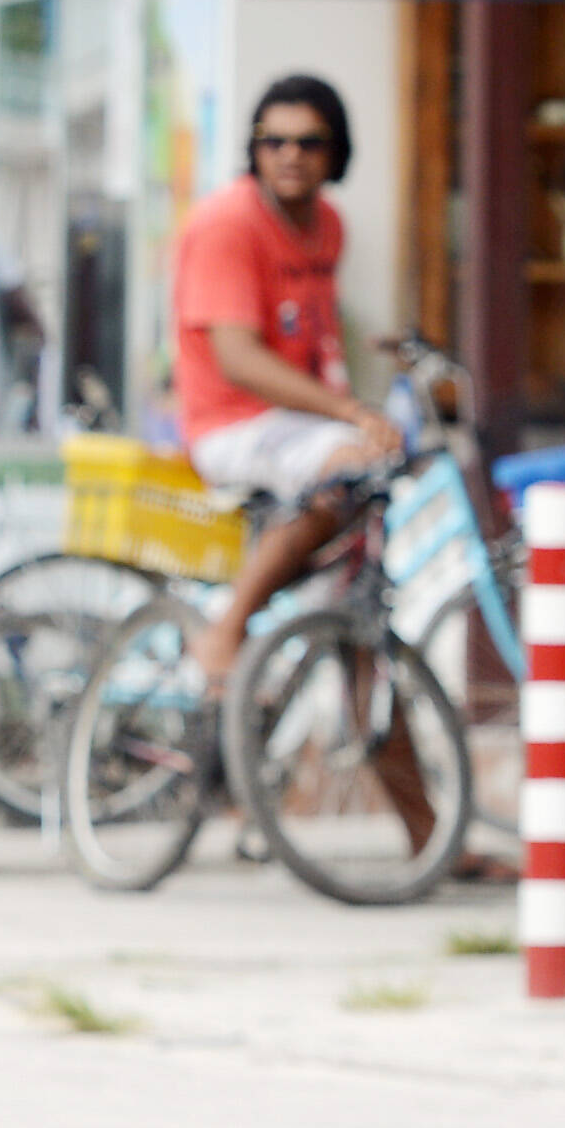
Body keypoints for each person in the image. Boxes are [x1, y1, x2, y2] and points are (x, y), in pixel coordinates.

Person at [168, 73, 402, 687]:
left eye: (308, 142)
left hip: (297, 423)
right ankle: (228, 628)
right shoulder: (228, 225)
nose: (290, 155)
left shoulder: (329, 225)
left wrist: (368, 402)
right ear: (254, 148)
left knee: (381, 472)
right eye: (273, 142)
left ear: (335, 152)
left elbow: (319, 337)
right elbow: (238, 359)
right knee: (344, 466)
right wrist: (349, 415)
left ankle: (301, 634)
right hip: (231, 424)